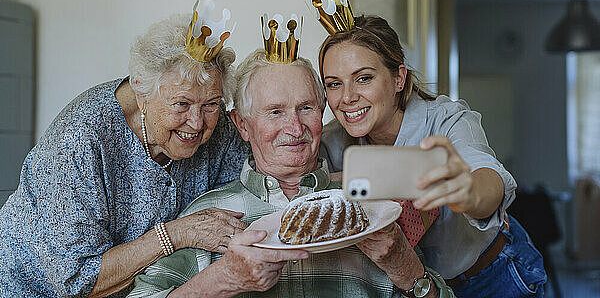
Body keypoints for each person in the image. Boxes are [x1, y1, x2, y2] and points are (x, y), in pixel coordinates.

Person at [128, 48, 455, 298]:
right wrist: (222, 279)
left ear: (322, 111)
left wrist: (407, 268)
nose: (294, 127)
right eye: (274, 112)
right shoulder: (204, 219)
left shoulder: (374, 204)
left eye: (306, 108)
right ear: (242, 124)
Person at [0, 3, 250, 297]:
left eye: (210, 104)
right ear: (142, 93)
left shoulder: (217, 124)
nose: (196, 122)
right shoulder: (81, 139)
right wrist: (177, 233)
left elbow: (254, 185)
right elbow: (79, 280)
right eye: (181, 104)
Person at [317, 13, 547, 297]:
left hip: (493, 275)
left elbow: (487, 176)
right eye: (334, 83)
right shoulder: (331, 142)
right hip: (420, 289)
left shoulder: (447, 121)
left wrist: (471, 194)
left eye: (363, 78)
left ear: (398, 78)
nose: (347, 97)